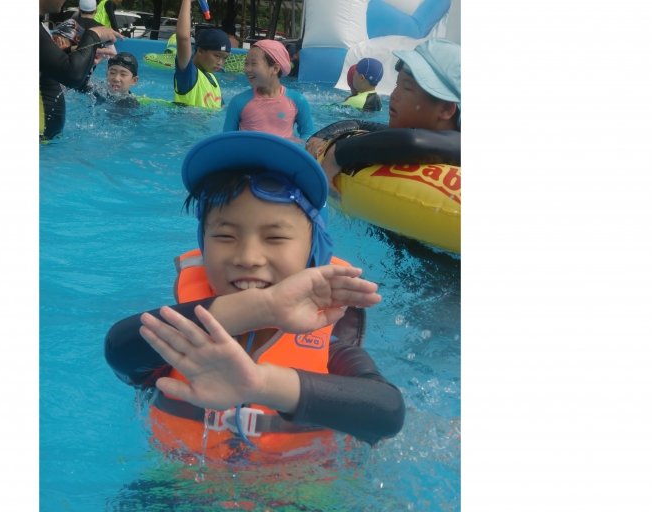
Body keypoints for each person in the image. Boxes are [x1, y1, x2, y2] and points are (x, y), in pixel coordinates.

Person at [104, 131, 406, 463]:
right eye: (225, 236)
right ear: (203, 245)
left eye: (275, 238)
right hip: (172, 492)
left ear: (314, 253)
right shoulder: (178, 339)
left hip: (298, 494)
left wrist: (261, 385)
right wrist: (264, 307)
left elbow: (387, 413)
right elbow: (119, 349)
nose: (248, 257)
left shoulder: (330, 349)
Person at [304, 38, 461, 193]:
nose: (394, 95)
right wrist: (320, 136)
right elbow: (359, 124)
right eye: (397, 84)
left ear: (446, 108)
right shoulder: (407, 133)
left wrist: (337, 152)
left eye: (407, 88)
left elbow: (412, 141)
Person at [39, 0, 123, 140]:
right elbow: (73, 77)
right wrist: (93, 35)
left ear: (79, 9)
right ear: (95, 10)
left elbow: (46, 60)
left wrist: (73, 51)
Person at [223, 40, 315, 141]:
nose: (248, 69)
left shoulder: (297, 100)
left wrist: (297, 143)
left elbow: (309, 134)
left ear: (275, 68)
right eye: (246, 63)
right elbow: (227, 139)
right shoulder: (238, 102)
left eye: (254, 63)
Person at [173, 0, 231, 108]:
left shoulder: (212, 79)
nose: (220, 62)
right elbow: (183, 38)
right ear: (200, 51)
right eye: (217, 56)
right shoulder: (189, 75)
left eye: (225, 58)